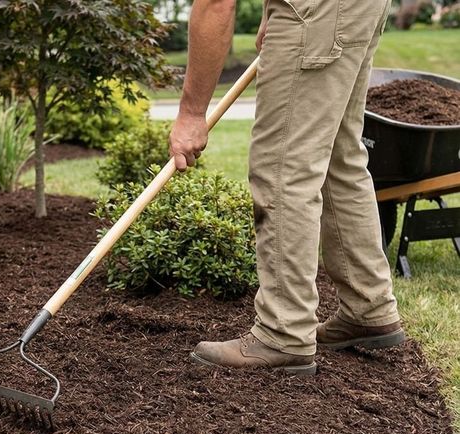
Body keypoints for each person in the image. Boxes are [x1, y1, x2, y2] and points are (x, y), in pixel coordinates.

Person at [169, 0, 405, 375]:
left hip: (319, 12)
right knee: (338, 156)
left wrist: (192, 114)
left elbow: (216, 4)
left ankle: (284, 331)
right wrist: (272, 12)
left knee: (283, 167)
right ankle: (368, 306)